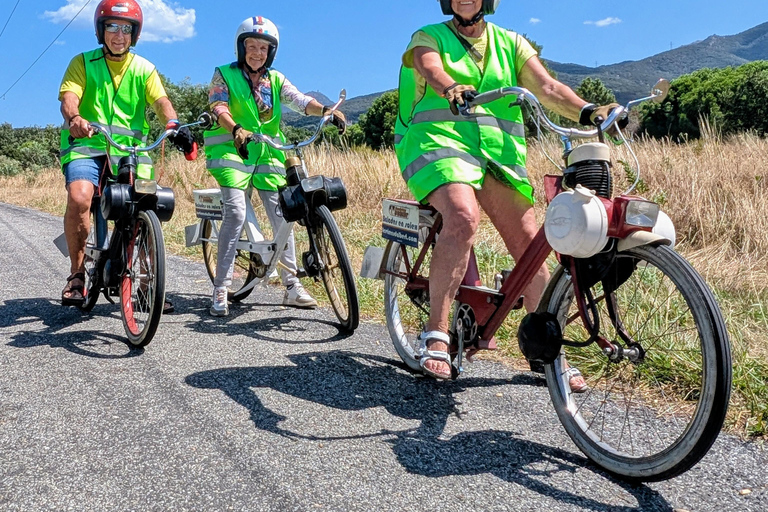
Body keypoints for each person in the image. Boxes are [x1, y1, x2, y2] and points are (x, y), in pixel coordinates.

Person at [396, 0, 624, 388]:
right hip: (436, 142)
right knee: (464, 217)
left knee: (532, 244)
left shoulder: (511, 43)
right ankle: (436, 334)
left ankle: (548, 351)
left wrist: (589, 111)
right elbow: (430, 67)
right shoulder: (427, 36)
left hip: (496, 154)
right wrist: (450, 86)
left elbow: (548, 87)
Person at [204, 16, 347, 317]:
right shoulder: (224, 74)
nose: (258, 53)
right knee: (236, 212)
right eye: (252, 46)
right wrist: (235, 129)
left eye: (264, 48)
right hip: (232, 151)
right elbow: (218, 106)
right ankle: (221, 286)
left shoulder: (276, 79)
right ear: (241, 48)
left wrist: (326, 110)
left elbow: (299, 100)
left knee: (287, 215)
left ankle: (291, 284)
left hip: (268, 153)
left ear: (272, 52)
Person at [59, 0, 195, 312]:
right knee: (80, 198)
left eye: (126, 29)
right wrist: (75, 119)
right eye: (112, 27)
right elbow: (69, 97)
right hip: (88, 145)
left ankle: (147, 283)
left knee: (149, 204)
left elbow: (161, 101)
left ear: (134, 34)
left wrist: (172, 124)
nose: (119, 35)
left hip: (131, 151)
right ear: (100, 30)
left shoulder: (144, 68)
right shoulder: (82, 63)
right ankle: (77, 276)